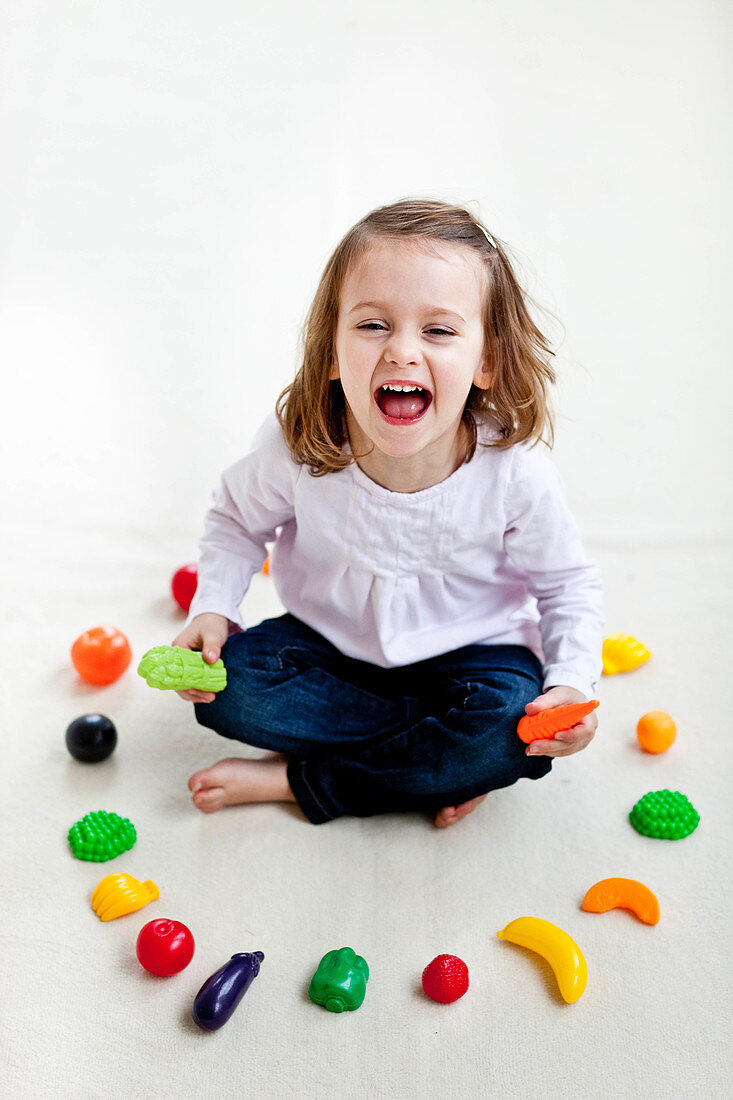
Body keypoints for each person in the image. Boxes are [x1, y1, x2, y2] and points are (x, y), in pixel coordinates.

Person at [173, 198, 604, 827]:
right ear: (329, 352)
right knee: (224, 689)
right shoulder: (299, 445)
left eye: (439, 330)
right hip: (333, 650)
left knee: (509, 726)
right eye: (373, 325)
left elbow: (567, 586)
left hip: (473, 659)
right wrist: (213, 606)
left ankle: (308, 782)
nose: (402, 351)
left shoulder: (514, 474)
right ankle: (438, 765)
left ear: (488, 361)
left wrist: (571, 683)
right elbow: (237, 522)